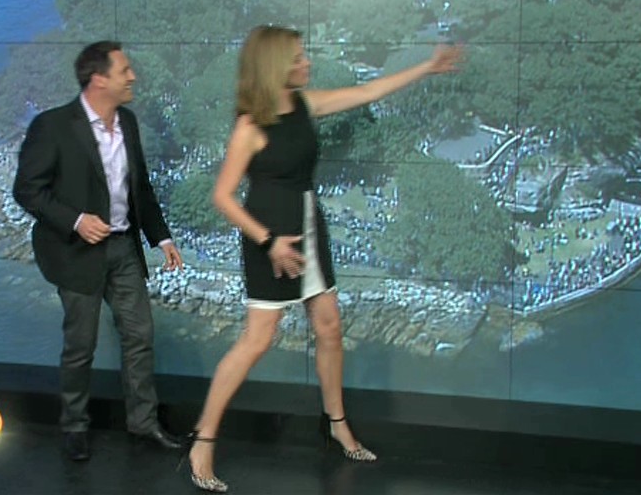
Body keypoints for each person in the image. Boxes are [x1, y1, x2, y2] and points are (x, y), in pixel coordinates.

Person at [184, 25, 464, 492]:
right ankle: (203, 440)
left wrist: (427, 67)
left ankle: (337, 425)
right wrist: (270, 242)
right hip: (269, 239)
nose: (307, 62)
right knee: (257, 340)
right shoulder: (250, 126)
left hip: (309, 228)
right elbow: (223, 197)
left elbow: (370, 91)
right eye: (298, 57)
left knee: (330, 327)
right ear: (274, 65)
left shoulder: (305, 105)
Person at [13, 40, 185, 462]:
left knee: (139, 336)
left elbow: (140, 188)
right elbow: (27, 189)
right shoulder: (53, 126)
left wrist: (161, 238)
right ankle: (74, 426)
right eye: (125, 70)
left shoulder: (128, 122)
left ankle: (143, 423)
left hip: (124, 248)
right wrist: (75, 220)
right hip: (76, 253)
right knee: (80, 345)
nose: (133, 77)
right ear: (98, 79)